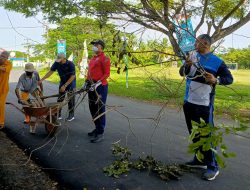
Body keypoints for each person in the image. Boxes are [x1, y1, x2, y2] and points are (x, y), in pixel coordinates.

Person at [179, 34, 233, 181]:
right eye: (196, 42)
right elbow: (182, 73)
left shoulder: (217, 62)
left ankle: (212, 167)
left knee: (206, 136)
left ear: (205, 44)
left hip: (204, 105)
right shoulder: (192, 56)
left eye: (198, 42)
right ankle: (199, 159)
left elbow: (229, 79)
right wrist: (187, 64)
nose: (196, 45)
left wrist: (216, 80)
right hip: (189, 102)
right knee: (194, 133)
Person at [83, 40, 110, 143]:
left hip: (100, 87)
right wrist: (86, 82)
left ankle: (100, 132)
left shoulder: (105, 58)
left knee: (100, 108)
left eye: (96, 45)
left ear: (101, 47)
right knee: (92, 107)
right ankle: (97, 127)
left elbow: (107, 74)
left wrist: (97, 83)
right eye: (93, 45)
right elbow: (89, 72)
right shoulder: (93, 59)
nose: (94, 47)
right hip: (91, 85)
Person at [38, 53, 76, 121]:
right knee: (60, 98)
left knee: (71, 99)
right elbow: (50, 72)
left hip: (71, 83)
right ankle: (58, 113)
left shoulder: (70, 64)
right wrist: (42, 80)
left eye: (60, 59)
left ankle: (71, 114)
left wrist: (65, 86)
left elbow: (73, 76)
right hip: (63, 81)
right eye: (58, 59)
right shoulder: (56, 63)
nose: (59, 61)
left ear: (64, 58)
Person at [0, 51, 12, 129]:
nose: (1, 57)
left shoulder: (9, 64)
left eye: (4, 56)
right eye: (1, 55)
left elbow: (4, 69)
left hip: (3, 89)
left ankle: (1, 122)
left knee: (1, 105)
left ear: (7, 58)